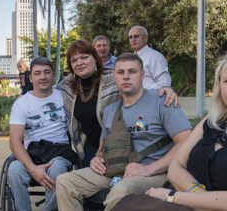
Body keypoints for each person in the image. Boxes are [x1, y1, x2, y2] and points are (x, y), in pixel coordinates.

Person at [56, 53, 192, 211]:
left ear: (142, 75)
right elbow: (102, 149)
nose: (126, 77)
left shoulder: (162, 102)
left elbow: (187, 141)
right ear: (114, 76)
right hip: (115, 170)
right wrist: (97, 159)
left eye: (132, 72)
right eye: (120, 72)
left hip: (154, 173)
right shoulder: (110, 110)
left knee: (121, 191)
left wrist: (150, 169)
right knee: (65, 181)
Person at [55, 39, 178, 168]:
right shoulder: (66, 86)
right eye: (74, 60)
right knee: (90, 181)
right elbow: (47, 91)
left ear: (95, 58)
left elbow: (139, 88)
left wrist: (166, 89)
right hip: (92, 145)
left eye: (84, 57)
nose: (79, 63)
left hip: (121, 143)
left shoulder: (113, 78)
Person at [145, 54, 227, 210]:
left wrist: (172, 197)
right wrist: (199, 197)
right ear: (219, 86)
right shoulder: (212, 121)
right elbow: (175, 167)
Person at [8, 57, 78, 211]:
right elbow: (14, 141)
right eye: (38, 73)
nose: (43, 77)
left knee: (57, 167)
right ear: (31, 77)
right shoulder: (22, 103)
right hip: (33, 153)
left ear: (53, 76)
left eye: (47, 72)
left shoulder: (65, 98)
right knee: (14, 170)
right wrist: (32, 168)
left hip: (59, 152)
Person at [128, 26, 171, 90]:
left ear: (146, 38)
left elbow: (164, 82)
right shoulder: (130, 58)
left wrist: (143, 92)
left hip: (150, 98)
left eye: (136, 36)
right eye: (130, 37)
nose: (133, 40)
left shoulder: (155, 56)